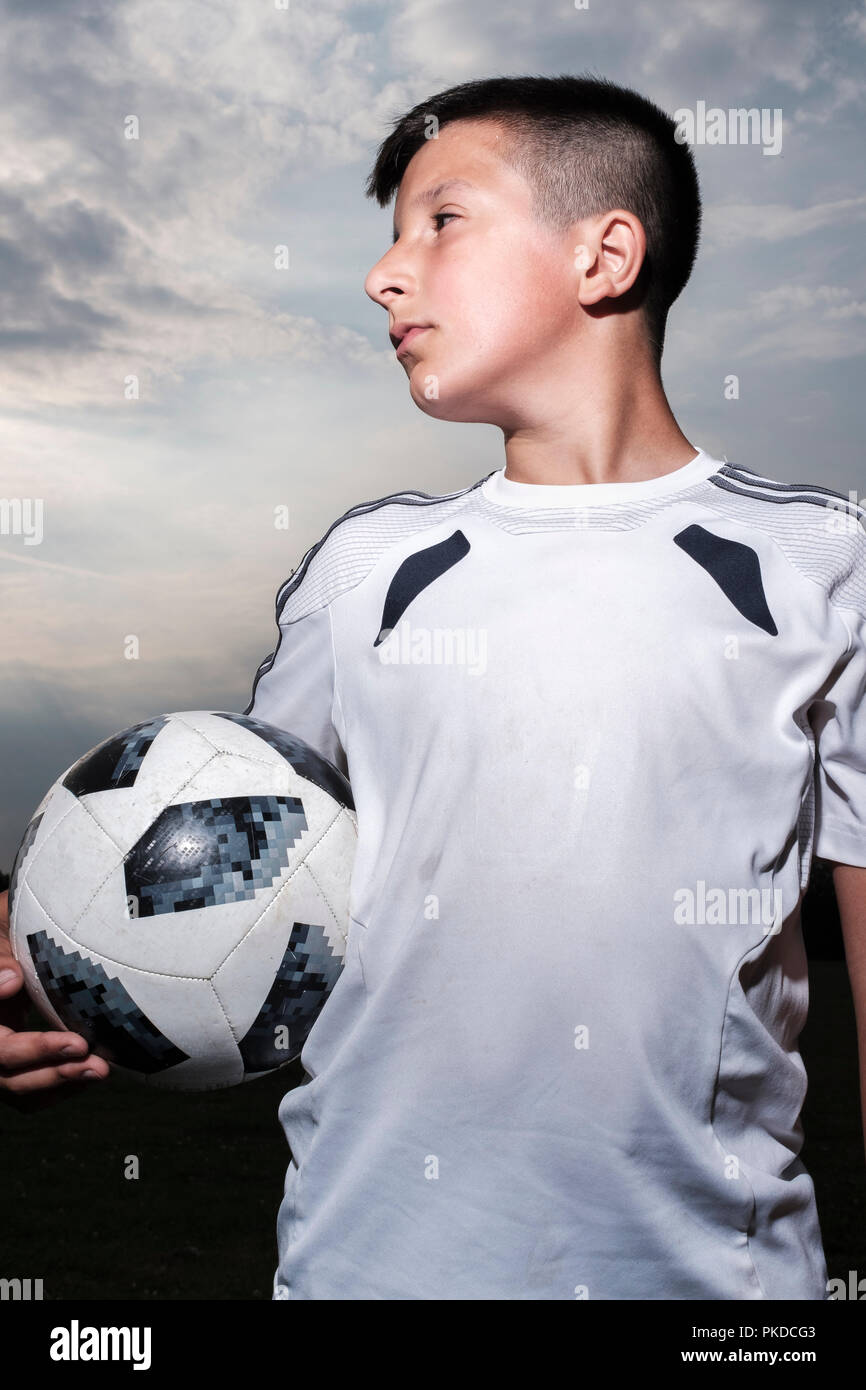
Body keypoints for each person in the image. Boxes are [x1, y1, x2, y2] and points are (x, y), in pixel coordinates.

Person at [2, 72, 865, 1299]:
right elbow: (212, 851)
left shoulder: (823, 562)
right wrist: (47, 965)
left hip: (716, 1294)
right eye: (386, 238)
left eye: (438, 221)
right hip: (365, 1269)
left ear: (603, 253)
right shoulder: (367, 569)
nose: (383, 275)